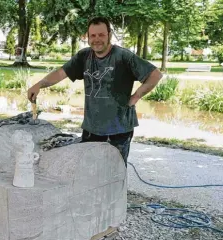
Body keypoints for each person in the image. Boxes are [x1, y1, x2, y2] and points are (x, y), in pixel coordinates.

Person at [27, 16, 163, 166]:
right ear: (88, 37)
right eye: (93, 35)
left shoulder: (123, 57)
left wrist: (136, 96)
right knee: (89, 172)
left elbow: (155, 75)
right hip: (91, 129)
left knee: (115, 173)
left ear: (109, 35)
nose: (96, 39)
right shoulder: (83, 56)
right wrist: (39, 84)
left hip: (119, 130)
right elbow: (60, 73)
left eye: (101, 35)